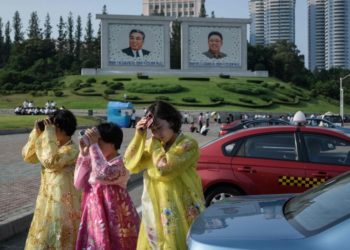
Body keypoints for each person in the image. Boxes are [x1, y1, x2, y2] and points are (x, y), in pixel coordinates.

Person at [124, 100, 205, 249]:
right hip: (155, 206)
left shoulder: (188, 144)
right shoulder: (152, 144)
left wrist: (153, 143)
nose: (156, 134)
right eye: (153, 130)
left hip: (181, 207)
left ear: (172, 122)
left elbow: (165, 168)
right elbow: (130, 163)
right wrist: (139, 136)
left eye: (159, 128)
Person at [21, 109, 81, 249]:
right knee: (44, 237)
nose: (51, 131)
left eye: (54, 128)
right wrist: (37, 133)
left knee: (60, 237)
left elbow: (51, 161)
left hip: (64, 205)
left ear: (61, 129)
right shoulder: (52, 146)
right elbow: (28, 156)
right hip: (46, 201)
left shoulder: (72, 150)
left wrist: (48, 133)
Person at [74, 123, 140, 249]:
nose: (96, 145)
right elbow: (78, 182)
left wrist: (93, 146)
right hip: (95, 216)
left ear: (113, 143)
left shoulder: (122, 164)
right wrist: (84, 154)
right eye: (95, 142)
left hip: (116, 217)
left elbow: (102, 174)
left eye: (100, 141)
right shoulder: (96, 159)